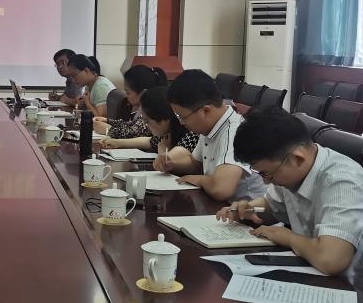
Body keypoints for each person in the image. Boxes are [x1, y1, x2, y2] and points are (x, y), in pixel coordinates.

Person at [218, 107, 363, 284]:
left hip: (362, 285)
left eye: (267, 174)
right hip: (316, 268)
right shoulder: (293, 170)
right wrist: (249, 208)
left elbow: (331, 260)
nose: (266, 182)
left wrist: (288, 237)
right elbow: (272, 206)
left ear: (297, 158)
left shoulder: (343, 181)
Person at [165, 69, 267, 201]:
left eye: (183, 117)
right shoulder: (209, 127)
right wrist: (171, 163)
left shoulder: (234, 132)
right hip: (222, 206)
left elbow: (221, 189)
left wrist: (199, 180)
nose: (181, 123)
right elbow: (196, 163)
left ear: (205, 111)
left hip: (247, 210)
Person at [101, 86, 198, 166]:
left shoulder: (190, 134)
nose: (146, 125)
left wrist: (162, 151)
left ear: (165, 120)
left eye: (147, 121)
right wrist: (117, 143)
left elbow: (163, 164)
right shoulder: (168, 132)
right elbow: (149, 141)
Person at [93, 65, 167, 139]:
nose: (126, 96)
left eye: (128, 92)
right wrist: (107, 121)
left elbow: (134, 132)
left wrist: (108, 130)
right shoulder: (142, 107)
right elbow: (131, 124)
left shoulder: (152, 109)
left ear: (143, 93)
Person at [69, 54, 114, 118]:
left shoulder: (101, 86)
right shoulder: (89, 85)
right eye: (71, 77)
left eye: (74, 75)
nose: (73, 80)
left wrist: (87, 102)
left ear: (86, 70)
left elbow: (100, 118)